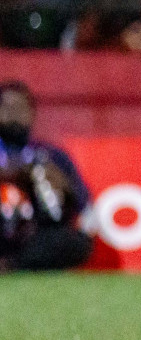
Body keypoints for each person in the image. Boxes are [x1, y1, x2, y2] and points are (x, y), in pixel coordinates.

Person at [0, 82, 94, 272]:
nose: (14, 115)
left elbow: (86, 208)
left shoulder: (51, 156)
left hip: (33, 235)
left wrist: (64, 186)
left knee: (73, 243)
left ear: (32, 113)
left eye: (20, 108)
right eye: (7, 108)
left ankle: (12, 266)